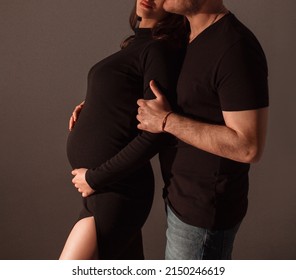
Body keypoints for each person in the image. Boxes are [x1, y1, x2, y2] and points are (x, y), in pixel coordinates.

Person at [137, 0, 269, 259]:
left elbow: (248, 146)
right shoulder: (185, 36)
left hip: (203, 215)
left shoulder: (236, 47)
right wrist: (97, 103)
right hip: (180, 200)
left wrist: (167, 121)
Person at [59, 0, 187, 260]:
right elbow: (127, 99)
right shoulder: (136, 45)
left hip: (117, 189)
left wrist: (95, 178)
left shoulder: (157, 50)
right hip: (103, 187)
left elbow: (157, 133)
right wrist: (94, 106)